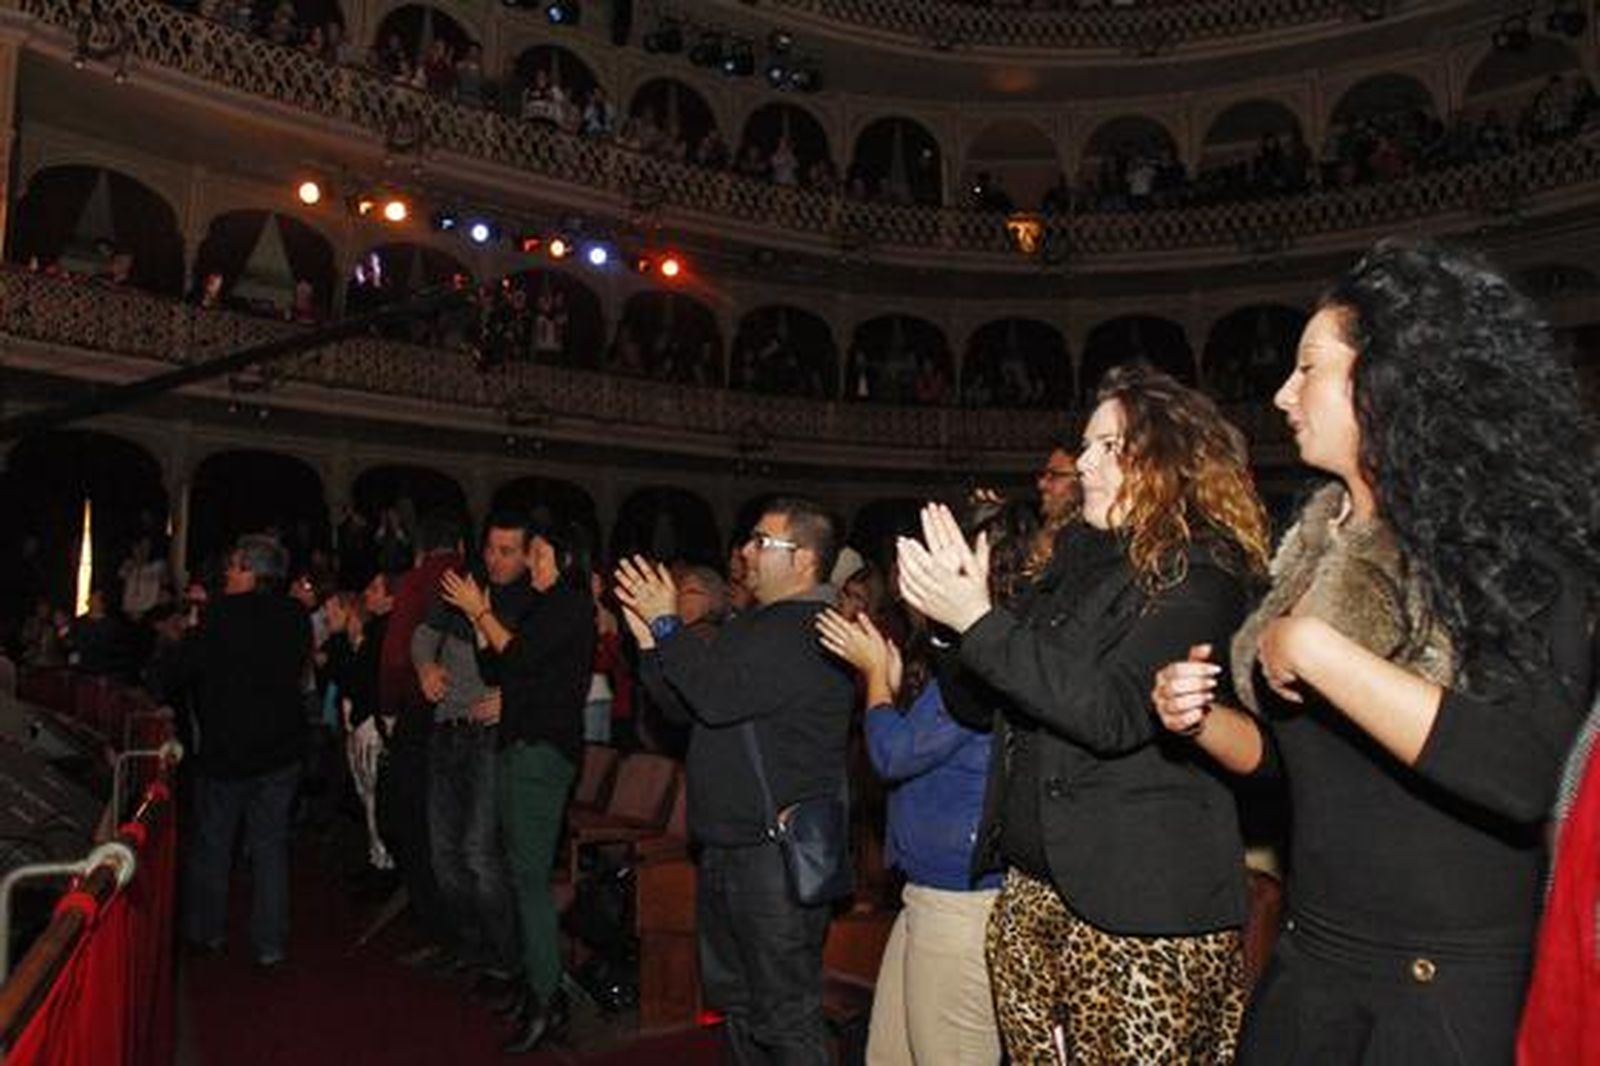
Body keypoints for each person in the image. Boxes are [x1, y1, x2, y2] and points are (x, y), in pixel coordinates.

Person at [1152, 239, 1599, 1063]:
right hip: (1314, 966)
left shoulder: (1508, 548)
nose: (1283, 393)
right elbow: (1296, 764)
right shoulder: (1316, 544)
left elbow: (1523, 771)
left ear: (1391, 378)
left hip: (1441, 994)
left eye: (1308, 369)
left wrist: (1319, 650)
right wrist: (1202, 722)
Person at [898, 365, 1271, 1063]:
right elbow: (978, 708)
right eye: (1087, 445)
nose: (1085, 464)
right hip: (1033, 898)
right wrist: (952, 631)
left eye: (1110, 447)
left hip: (1142, 913)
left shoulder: (1201, 571)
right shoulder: (1071, 564)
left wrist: (979, 620)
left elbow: (1115, 712)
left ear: (1168, 461)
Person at [614, 497, 856, 1065]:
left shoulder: (808, 629)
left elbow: (716, 697)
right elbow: (688, 707)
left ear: (804, 559)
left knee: (785, 1016)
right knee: (740, 1008)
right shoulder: (758, 625)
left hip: (774, 858)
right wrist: (651, 640)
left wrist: (668, 624)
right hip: (734, 847)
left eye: (761, 541)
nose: (745, 550)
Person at [817, 500, 1038, 1066]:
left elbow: (891, 755)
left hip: (963, 902)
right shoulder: (971, 662)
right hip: (932, 894)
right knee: (891, 1055)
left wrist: (875, 678)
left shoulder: (984, 668)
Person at [440, 518, 596, 1053]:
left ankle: (547, 1000)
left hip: (541, 751)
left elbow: (520, 658)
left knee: (529, 880)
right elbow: (497, 668)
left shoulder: (571, 605)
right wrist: (478, 616)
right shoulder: (541, 606)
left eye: (542, 555)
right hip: (520, 746)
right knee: (518, 873)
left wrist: (480, 613)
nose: (533, 563)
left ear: (567, 561)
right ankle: (536, 989)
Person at [413, 512, 532, 996]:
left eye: (507, 551)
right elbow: (424, 637)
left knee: (479, 853)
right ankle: (472, 948)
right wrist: (425, 667)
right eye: (490, 549)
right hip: (447, 729)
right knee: (444, 854)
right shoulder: (465, 584)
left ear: (528, 555)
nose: (495, 560)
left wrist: (516, 698)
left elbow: (538, 667)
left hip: (490, 737)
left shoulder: (532, 599)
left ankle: (507, 959)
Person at [180, 534, 312, 967]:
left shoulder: (220, 615)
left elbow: (187, 667)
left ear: (253, 573)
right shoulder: (295, 616)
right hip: (281, 749)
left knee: (215, 844)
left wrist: (194, 627)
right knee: (270, 849)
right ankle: (270, 945)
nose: (228, 573)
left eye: (235, 566)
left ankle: (208, 932)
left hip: (228, 749)